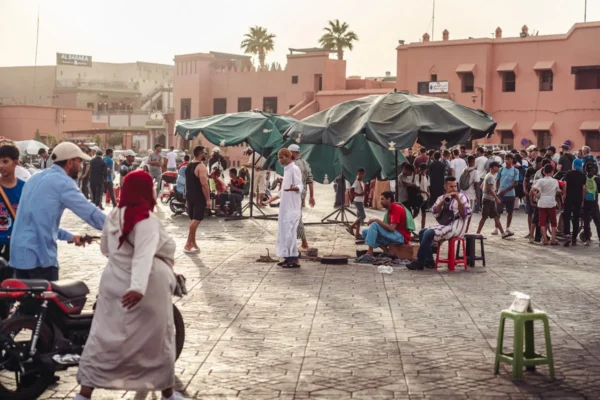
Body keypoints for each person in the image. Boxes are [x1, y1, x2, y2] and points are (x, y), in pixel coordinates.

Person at [76, 171, 188, 400]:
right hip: (147, 288)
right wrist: (137, 287)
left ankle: (84, 394)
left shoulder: (114, 214)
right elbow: (143, 256)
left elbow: (105, 249)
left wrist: (121, 267)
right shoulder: (146, 219)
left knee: (103, 338)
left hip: (113, 283)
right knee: (156, 342)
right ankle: (168, 393)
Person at [10, 142, 106, 280]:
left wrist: (71, 237)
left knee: (26, 300)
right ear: (70, 162)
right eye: (79, 161)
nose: (80, 166)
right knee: (51, 300)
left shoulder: (35, 178)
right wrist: (120, 227)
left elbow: (40, 222)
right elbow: (91, 213)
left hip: (20, 256)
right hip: (39, 258)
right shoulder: (63, 183)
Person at [407, 177, 472, 270]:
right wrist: (443, 201)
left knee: (428, 233)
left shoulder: (462, 197)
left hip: (456, 227)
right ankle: (429, 261)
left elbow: (465, 215)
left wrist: (457, 199)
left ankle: (419, 261)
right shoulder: (441, 197)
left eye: (455, 186)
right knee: (422, 232)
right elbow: (435, 212)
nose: (454, 189)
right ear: (445, 187)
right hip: (445, 225)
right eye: (451, 186)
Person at [0, 144, 26, 318]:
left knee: (9, 287)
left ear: (16, 163)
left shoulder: (25, 188)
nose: (1, 165)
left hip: (15, 245)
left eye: (5, 161)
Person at [355, 191, 411, 264]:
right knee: (365, 232)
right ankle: (386, 251)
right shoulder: (389, 210)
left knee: (375, 224)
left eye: (382, 199)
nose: (380, 201)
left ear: (389, 199)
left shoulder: (396, 208)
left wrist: (376, 220)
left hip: (401, 237)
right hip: (393, 235)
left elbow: (391, 228)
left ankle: (369, 253)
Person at [275, 148, 303, 268]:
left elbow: (300, 185)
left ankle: (294, 259)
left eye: (282, 157)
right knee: (284, 231)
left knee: (290, 232)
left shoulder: (294, 169)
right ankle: (287, 257)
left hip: (292, 206)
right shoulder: (286, 170)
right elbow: (283, 190)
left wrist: (294, 188)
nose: (280, 160)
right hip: (285, 206)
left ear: (288, 157)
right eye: (279, 158)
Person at [184, 146, 210, 254]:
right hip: (199, 196)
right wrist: (208, 199)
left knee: (193, 219)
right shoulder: (201, 166)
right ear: (200, 154)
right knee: (196, 219)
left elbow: (187, 183)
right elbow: (204, 184)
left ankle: (193, 243)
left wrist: (186, 198)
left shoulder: (189, 165)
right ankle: (188, 244)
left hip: (190, 196)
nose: (206, 154)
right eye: (205, 153)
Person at [289, 144, 315, 250]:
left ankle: (304, 242)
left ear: (292, 153)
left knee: (296, 217)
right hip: (302, 193)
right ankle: (299, 242)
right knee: (296, 216)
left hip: (295, 194)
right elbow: (310, 180)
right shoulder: (305, 163)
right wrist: (311, 196)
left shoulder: (294, 165)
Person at [476, 162, 510, 238]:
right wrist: (496, 198)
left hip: (488, 199)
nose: (498, 168)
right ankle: (477, 233)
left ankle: (502, 233)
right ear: (493, 167)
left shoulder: (488, 175)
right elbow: (490, 190)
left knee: (496, 216)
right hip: (488, 200)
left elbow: (482, 187)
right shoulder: (491, 177)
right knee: (484, 217)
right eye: (497, 167)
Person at [530, 164, 560, 245]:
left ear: (543, 171)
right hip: (551, 202)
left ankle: (545, 239)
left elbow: (532, 189)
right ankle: (553, 239)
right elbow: (558, 191)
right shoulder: (555, 181)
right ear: (552, 172)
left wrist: (537, 196)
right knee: (553, 221)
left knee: (542, 222)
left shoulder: (540, 181)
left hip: (542, 202)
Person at [562, 160, 586, 247]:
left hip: (569, 197)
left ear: (573, 165)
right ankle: (574, 238)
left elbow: (565, 184)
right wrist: (583, 200)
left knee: (567, 216)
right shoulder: (583, 175)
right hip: (578, 198)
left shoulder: (569, 173)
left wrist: (564, 194)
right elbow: (583, 189)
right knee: (576, 217)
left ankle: (567, 234)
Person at [493, 153, 519, 235]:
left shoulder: (515, 170)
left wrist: (506, 190)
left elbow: (515, 183)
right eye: (506, 159)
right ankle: (496, 228)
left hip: (510, 194)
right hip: (501, 194)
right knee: (498, 211)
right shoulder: (501, 170)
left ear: (512, 160)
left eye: (508, 159)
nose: (507, 161)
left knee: (510, 212)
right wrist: (497, 190)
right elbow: (497, 180)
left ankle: (507, 228)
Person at [524, 157, 543, 241]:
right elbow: (525, 180)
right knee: (530, 213)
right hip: (530, 193)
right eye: (540, 164)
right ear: (536, 163)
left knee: (537, 215)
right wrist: (524, 189)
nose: (541, 166)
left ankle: (538, 233)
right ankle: (530, 232)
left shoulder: (542, 171)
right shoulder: (530, 170)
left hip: (538, 196)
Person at [581, 162, 600, 246]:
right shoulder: (597, 179)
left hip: (585, 203)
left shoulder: (583, 178)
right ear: (595, 169)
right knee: (597, 222)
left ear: (585, 170)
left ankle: (587, 239)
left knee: (586, 222)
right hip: (594, 203)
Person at [347, 168, 366, 239]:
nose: (361, 175)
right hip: (358, 201)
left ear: (364, 174)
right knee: (363, 216)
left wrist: (363, 194)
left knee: (359, 217)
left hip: (360, 200)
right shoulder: (357, 181)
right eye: (359, 173)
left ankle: (357, 233)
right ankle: (351, 227)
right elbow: (351, 190)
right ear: (357, 174)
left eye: (362, 174)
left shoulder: (361, 182)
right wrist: (359, 194)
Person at [462, 155, 480, 232]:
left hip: (463, 194)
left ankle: (462, 228)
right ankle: (466, 230)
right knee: (469, 214)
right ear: (474, 162)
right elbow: (476, 185)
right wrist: (478, 196)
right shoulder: (475, 172)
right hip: (471, 195)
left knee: (462, 212)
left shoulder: (464, 170)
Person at [415, 163, 430, 230]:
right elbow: (417, 188)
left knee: (424, 213)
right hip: (419, 197)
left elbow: (427, 186)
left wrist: (428, 193)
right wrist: (426, 192)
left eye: (424, 170)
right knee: (416, 213)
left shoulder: (427, 177)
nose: (423, 171)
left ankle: (422, 228)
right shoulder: (417, 177)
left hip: (425, 197)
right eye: (422, 170)